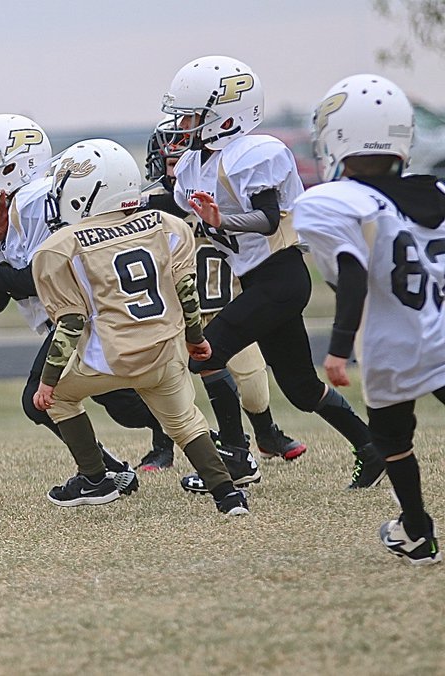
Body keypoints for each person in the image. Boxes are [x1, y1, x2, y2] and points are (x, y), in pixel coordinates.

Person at [154, 55, 383, 493]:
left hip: (280, 276)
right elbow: (176, 207)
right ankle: (370, 447)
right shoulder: (193, 163)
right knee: (299, 387)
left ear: (225, 116)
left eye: (192, 114)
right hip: (262, 281)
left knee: (206, 353)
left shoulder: (255, 153)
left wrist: (222, 222)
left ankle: (236, 460)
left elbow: (268, 218)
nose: (183, 123)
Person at [0, 113, 168, 489]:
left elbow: (44, 280)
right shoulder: (7, 211)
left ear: (12, 165)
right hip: (76, 322)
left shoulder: (41, 201)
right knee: (124, 403)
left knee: (42, 399)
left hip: (87, 318)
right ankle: (175, 445)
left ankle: (106, 472)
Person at [30, 138, 248, 516]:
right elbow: (186, 293)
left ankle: (95, 479)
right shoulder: (169, 226)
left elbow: (70, 322)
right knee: (185, 422)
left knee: (62, 399)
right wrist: (196, 339)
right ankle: (229, 497)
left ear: (89, 191)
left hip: (110, 357)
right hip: (164, 349)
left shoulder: (59, 247)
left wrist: (48, 380)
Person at [294, 74, 445, 564]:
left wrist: (338, 348)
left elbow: (352, 272)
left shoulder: (332, 201)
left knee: (391, 439)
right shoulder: (434, 191)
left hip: (395, 341)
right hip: (441, 329)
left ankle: (417, 532)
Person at [142, 128, 306, 471]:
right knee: (167, 385)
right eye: (170, 162)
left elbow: (264, 219)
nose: (176, 171)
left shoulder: (224, 192)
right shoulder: (149, 204)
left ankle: (266, 435)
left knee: (255, 387)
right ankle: (163, 447)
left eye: (180, 161)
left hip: (225, 302)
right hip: (176, 312)